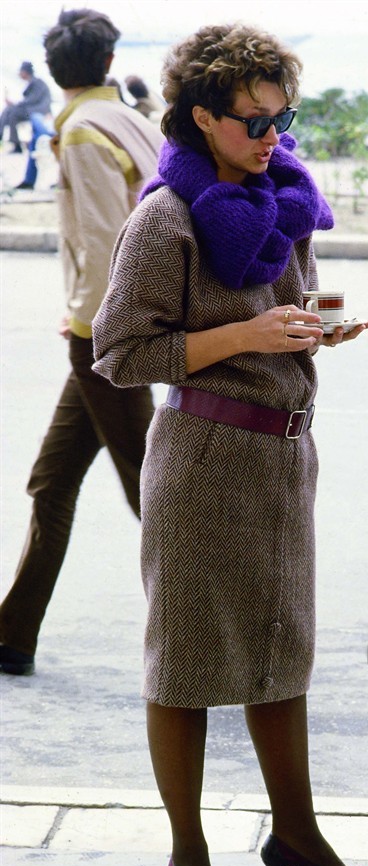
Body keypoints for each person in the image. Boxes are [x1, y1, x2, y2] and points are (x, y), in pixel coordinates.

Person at [91, 22, 368, 866]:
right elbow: (119, 353)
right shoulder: (164, 217)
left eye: (283, 118)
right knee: (183, 669)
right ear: (203, 118)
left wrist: (314, 330)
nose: (272, 137)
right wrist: (248, 335)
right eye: (254, 122)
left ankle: (298, 834)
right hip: (203, 462)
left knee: (281, 655)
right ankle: (189, 861)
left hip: (285, 457)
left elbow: (284, 313)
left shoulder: (284, 196)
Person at [0, 9, 162, 676]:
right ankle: (12, 635)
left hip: (104, 335)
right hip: (112, 326)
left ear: (53, 67)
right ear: (107, 62)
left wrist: (90, 325)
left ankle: (217, 633)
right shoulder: (129, 119)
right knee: (52, 480)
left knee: (152, 495)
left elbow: (103, 241)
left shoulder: (83, 131)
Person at [0, 61, 51, 153]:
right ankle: (5, 136)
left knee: (12, 112)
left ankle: (13, 142)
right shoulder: (33, 83)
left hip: (38, 110)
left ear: (25, 72)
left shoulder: (37, 82)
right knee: (9, 110)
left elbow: (33, 100)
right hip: (32, 110)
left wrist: (15, 104)